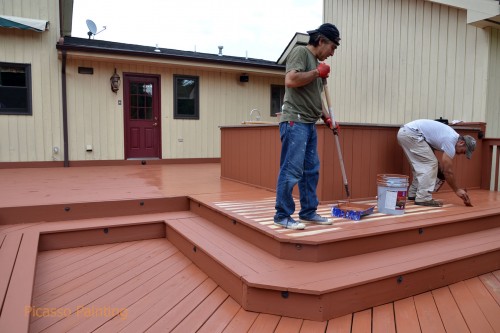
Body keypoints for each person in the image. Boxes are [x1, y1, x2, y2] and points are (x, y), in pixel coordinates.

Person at [273, 23, 341, 230]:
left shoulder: (316, 65)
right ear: (321, 41)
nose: (332, 53)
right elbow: (291, 80)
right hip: (295, 121)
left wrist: (327, 117)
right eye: (332, 48)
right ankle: (282, 215)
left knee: (311, 170)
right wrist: (316, 73)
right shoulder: (301, 52)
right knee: (292, 169)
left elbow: (315, 97)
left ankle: (308, 212)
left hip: (310, 122)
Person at [397, 119, 476, 207]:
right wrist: (457, 190)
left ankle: (414, 193)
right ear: (461, 143)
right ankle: (423, 198)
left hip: (406, 132)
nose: (462, 154)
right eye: (464, 151)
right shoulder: (451, 140)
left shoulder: (450, 136)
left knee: (422, 164)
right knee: (430, 164)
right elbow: (448, 171)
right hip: (412, 134)